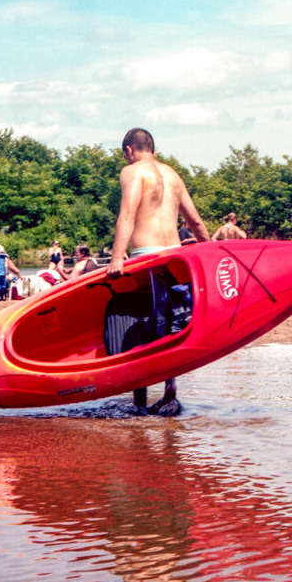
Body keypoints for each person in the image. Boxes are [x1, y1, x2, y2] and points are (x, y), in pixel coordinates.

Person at [109, 128, 211, 414]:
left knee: (142, 325)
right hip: (176, 259)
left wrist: (118, 256)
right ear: (152, 148)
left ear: (129, 150)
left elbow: (127, 212)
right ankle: (169, 392)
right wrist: (212, 249)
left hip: (147, 257)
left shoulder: (132, 172)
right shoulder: (173, 175)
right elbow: (195, 221)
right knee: (169, 324)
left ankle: (138, 404)